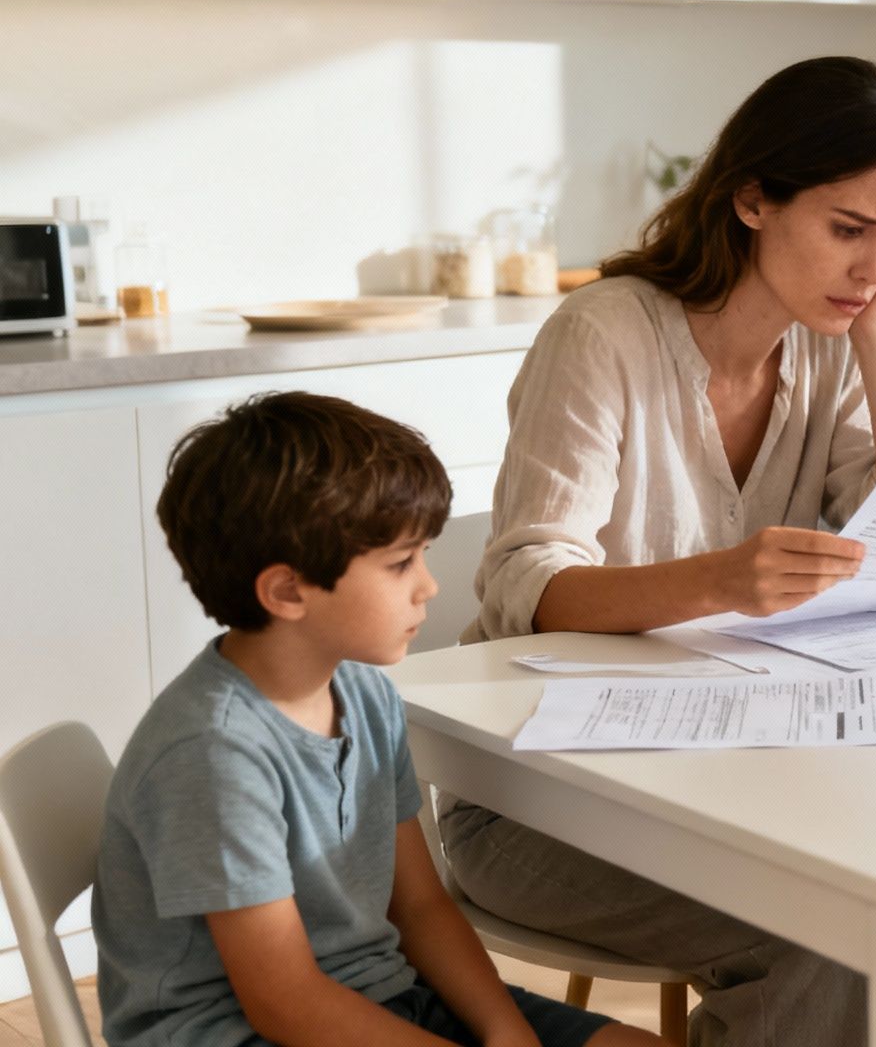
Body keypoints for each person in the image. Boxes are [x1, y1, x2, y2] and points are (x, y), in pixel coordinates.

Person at [441, 56, 876, 1046]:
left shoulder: (827, 344)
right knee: (823, 936)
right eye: (848, 230)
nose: (871, 265)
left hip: (740, 776)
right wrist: (719, 580)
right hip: (542, 798)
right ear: (753, 200)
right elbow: (521, 587)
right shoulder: (602, 337)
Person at [95, 391, 666, 1047]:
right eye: (400, 564)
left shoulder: (365, 693)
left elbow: (420, 907)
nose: (429, 586)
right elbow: (285, 1002)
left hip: (379, 992)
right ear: (286, 591)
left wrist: (509, 1034)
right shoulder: (213, 754)